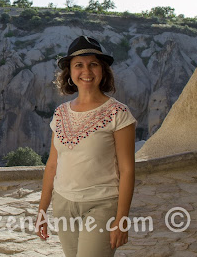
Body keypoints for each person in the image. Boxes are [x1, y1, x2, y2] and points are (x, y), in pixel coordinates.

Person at [36, 35, 136, 257]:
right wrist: (42, 210)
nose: (86, 71)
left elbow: (127, 170)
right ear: (70, 73)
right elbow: (52, 165)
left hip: (101, 205)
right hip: (63, 205)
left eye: (93, 64)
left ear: (103, 70)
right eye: (78, 65)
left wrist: (121, 219)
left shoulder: (118, 113)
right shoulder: (60, 113)